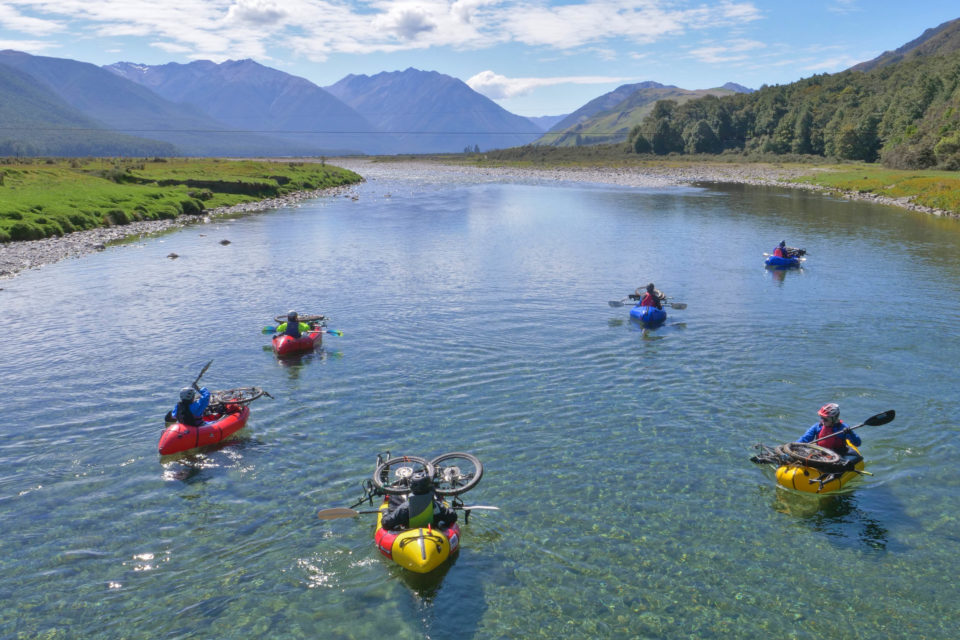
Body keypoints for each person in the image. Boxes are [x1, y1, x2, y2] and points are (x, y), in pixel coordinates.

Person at [380, 471, 458, 530]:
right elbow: (452, 516)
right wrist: (450, 508)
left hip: (408, 533)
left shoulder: (405, 508)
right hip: (432, 532)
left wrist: (385, 512)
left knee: (394, 500)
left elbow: (386, 523)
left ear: (412, 487)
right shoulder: (435, 505)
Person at [797, 403, 862, 468]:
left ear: (834, 418)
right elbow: (804, 439)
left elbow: (858, 443)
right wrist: (794, 446)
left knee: (846, 462)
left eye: (825, 419)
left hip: (838, 454)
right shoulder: (817, 427)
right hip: (820, 451)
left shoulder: (843, 428)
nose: (822, 421)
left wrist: (850, 433)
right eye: (821, 418)